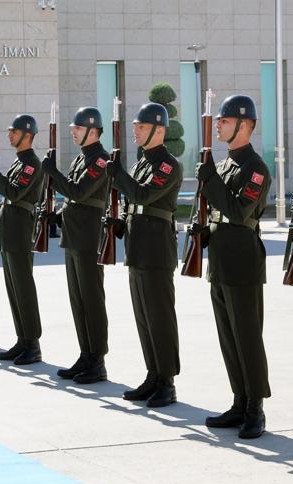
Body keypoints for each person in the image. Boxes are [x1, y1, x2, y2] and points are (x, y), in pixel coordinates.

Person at [194, 95, 272, 438]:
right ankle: (239, 401)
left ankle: (256, 407)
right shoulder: (225, 166)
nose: (218, 126)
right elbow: (218, 213)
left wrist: (209, 181)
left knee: (248, 337)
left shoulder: (255, 168)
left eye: (224, 121)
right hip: (222, 261)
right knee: (229, 336)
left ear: (246, 126)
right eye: (219, 121)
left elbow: (239, 212)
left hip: (243, 262)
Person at [105, 103, 183, 408]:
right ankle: (153, 374)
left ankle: (167, 381)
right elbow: (133, 204)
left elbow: (144, 195)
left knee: (160, 317)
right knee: (144, 317)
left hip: (157, 250)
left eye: (141, 126)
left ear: (158, 130)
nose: (135, 131)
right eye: (135, 126)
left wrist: (118, 174)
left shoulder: (168, 165)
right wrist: (119, 224)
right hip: (138, 247)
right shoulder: (141, 164)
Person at [42, 106, 110, 384]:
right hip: (74, 235)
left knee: (91, 299)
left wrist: (53, 174)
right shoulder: (82, 160)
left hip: (89, 237)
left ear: (93, 131)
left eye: (78, 128)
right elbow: (73, 198)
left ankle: (97, 359)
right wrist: (55, 215)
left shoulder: (101, 161)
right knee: (78, 299)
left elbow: (79, 191)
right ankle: (85, 354)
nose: (73, 131)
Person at [0, 114, 45, 365]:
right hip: (9, 230)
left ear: (27, 135)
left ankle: (32, 343)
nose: (10, 135)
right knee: (13, 289)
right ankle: (22, 339)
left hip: (20, 231)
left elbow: (15, 192)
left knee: (24, 288)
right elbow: (8, 196)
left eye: (14, 131)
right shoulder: (19, 163)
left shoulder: (32, 164)